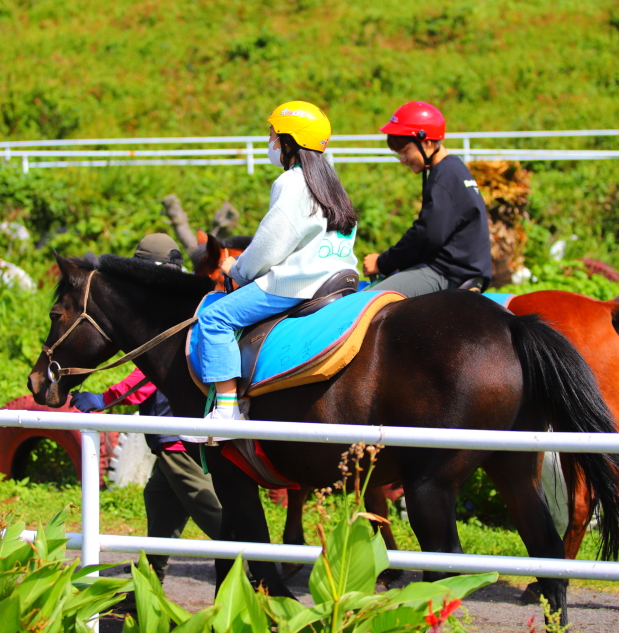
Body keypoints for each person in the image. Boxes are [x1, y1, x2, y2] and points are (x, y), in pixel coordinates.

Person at [70, 233, 223, 583]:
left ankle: (255, 569)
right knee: (158, 500)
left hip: (178, 438)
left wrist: (104, 400)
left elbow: (147, 381)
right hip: (168, 436)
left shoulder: (168, 315)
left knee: (216, 517)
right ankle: (147, 584)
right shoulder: (179, 308)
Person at [200, 100, 359, 421]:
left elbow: (271, 245)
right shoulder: (331, 181)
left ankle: (227, 413)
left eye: (273, 136)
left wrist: (238, 270)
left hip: (298, 284)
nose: (270, 143)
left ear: (289, 142)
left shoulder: (292, 181)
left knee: (214, 318)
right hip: (343, 277)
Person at [362, 101, 493, 297]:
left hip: (447, 271)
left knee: (365, 301)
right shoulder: (454, 169)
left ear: (427, 142)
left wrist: (383, 262)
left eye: (405, 152)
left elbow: (427, 234)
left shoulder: (444, 177)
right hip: (463, 267)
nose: (404, 160)